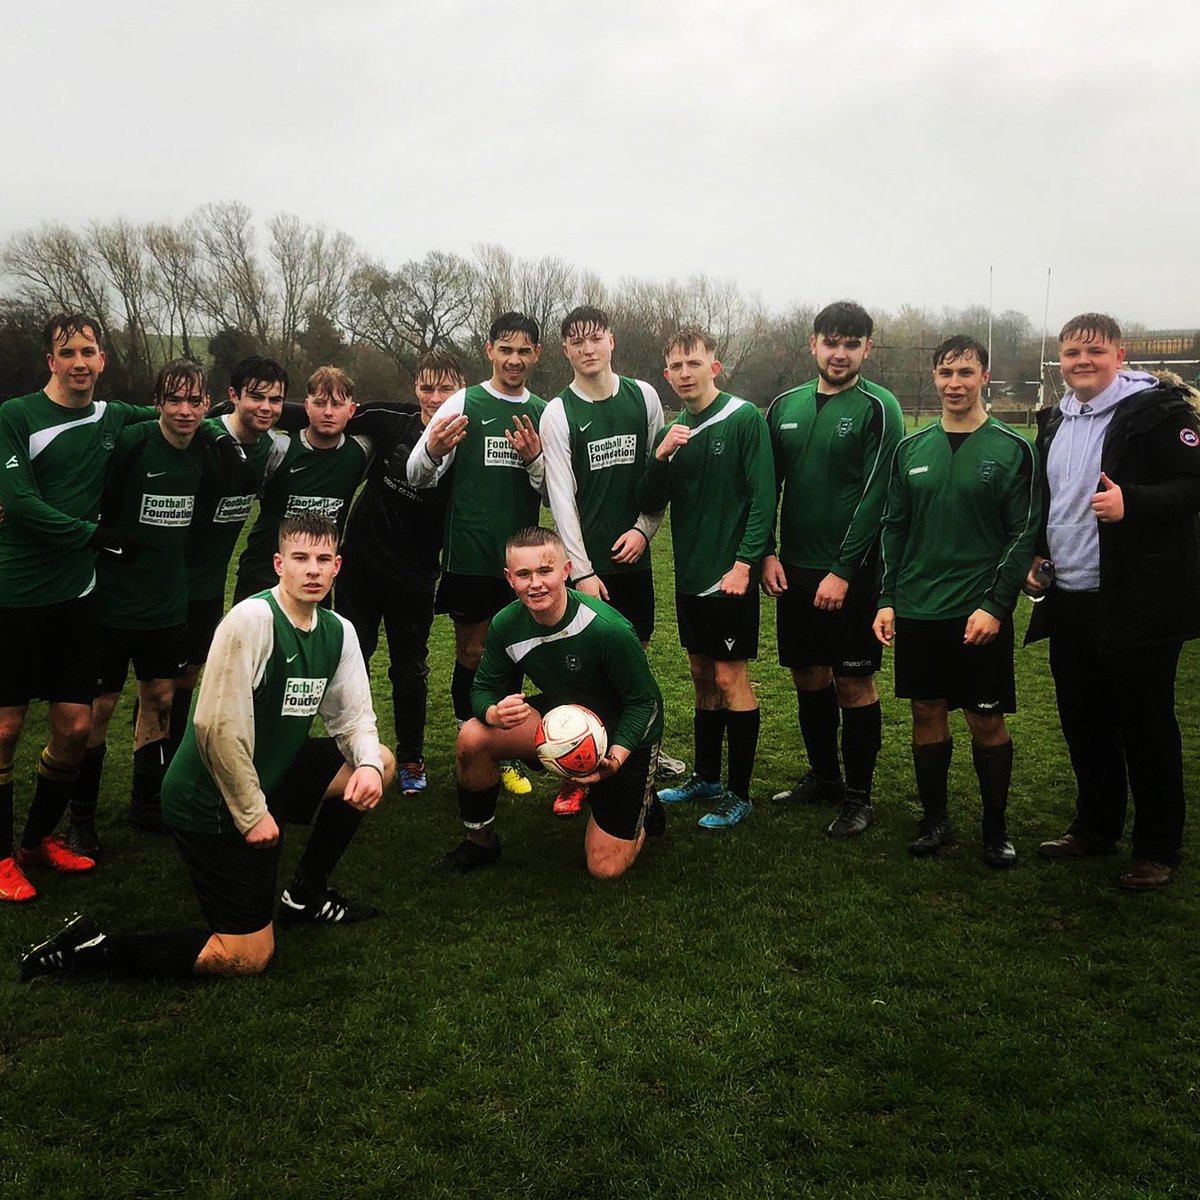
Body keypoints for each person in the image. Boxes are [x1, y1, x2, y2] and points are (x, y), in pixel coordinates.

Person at [20, 514, 395, 982]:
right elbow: (215, 727)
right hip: (211, 798)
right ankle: (92, 950)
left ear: (337, 565)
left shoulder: (338, 631)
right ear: (279, 563)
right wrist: (251, 812)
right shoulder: (252, 620)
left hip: (267, 776)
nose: (312, 570)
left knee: (379, 759)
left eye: (323, 559)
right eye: (300, 558)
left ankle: (307, 894)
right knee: (245, 956)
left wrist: (366, 766)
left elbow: (355, 718)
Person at [1026, 313, 1200, 890]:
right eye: (1072, 351)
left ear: (1119, 355)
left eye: (1094, 351)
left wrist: (1135, 503)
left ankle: (1157, 847)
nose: (1082, 360)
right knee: (1084, 721)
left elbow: (1193, 484)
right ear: (1061, 358)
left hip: (1138, 598)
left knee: (1146, 725)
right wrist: (1038, 553)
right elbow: (1049, 500)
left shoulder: (1158, 414)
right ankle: (1095, 827)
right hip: (1071, 594)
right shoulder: (1053, 419)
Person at [0, 313, 159, 902]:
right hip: (14, 595)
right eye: (68, 352)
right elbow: (17, 503)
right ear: (50, 360)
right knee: (6, 728)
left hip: (77, 598)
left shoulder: (112, 417)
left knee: (75, 727)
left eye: (89, 351)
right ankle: (0, 858)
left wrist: (277, 412)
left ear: (103, 360)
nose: (80, 363)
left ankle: (36, 841)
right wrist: (95, 535)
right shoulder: (17, 417)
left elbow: (181, 415)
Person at [873, 336, 1040, 868]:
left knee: (984, 719)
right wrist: (887, 598)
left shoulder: (1013, 448)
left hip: (978, 613)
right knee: (927, 710)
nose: (954, 383)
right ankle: (935, 820)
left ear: (984, 376)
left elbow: (1023, 534)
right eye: (946, 373)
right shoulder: (910, 450)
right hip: (919, 608)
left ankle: (996, 829)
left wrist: (996, 604)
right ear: (935, 377)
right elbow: (894, 527)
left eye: (966, 372)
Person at [434, 527, 664, 879]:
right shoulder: (506, 624)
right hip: (563, 720)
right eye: (524, 574)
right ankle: (480, 842)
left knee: (604, 868)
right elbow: (481, 690)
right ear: (509, 579)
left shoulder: (608, 629)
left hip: (625, 730)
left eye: (545, 571)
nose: (535, 583)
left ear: (566, 571)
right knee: (474, 738)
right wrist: (494, 711)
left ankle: (642, 802)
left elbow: (643, 703)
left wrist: (616, 758)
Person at [762, 301, 903, 837]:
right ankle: (824, 777)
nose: (839, 353)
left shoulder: (879, 406)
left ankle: (859, 796)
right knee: (808, 674)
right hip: (793, 568)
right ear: (813, 344)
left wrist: (844, 568)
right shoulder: (784, 406)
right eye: (830, 342)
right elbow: (764, 487)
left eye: (851, 343)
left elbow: (878, 494)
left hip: (854, 572)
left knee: (853, 681)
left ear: (867, 348)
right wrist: (768, 552)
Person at [540, 305, 685, 818]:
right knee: (586, 670)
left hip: (635, 561)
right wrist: (582, 571)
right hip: (589, 570)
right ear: (566, 350)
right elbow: (561, 497)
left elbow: (657, 473)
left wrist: (644, 531)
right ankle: (579, 758)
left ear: (611, 342)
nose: (587, 349)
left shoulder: (643, 396)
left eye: (595, 338)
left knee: (633, 664)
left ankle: (639, 751)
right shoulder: (558, 412)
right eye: (576, 341)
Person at [67, 360, 210, 853]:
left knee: (161, 699)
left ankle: (146, 802)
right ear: (158, 403)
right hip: (111, 600)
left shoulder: (207, 450)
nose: (185, 410)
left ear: (207, 404)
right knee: (99, 708)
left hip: (168, 603)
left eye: (195, 401)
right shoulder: (132, 443)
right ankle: (81, 817)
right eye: (175, 399)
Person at [407, 312, 548, 797]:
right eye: (504, 349)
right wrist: (431, 450)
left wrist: (534, 460)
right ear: (489, 350)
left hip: (525, 561)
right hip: (469, 555)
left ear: (536, 354)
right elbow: (416, 475)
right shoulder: (463, 402)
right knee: (472, 650)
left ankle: (503, 749)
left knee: (513, 654)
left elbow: (554, 494)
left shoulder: (545, 412)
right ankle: (472, 743)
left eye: (523, 350)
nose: (514, 359)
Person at [639, 328, 775, 829]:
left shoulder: (743, 419)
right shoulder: (674, 431)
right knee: (700, 676)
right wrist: (660, 456)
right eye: (674, 366)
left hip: (729, 578)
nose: (683, 374)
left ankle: (739, 794)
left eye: (693, 363)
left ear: (713, 367)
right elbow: (651, 501)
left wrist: (745, 564)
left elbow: (763, 499)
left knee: (728, 677)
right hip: (689, 577)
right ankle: (707, 776)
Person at [335, 349, 465, 795]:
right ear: (415, 387)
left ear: (460, 389)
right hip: (361, 567)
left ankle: (411, 758)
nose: (434, 396)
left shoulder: (471, 439)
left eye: (445, 387)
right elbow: (325, 416)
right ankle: (354, 753)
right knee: (354, 660)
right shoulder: (389, 419)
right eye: (427, 386)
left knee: (409, 670)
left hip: (415, 574)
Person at [164, 355, 290, 757]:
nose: (266, 407)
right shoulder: (200, 434)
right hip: (164, 582)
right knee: (158, 688)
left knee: (187, 678)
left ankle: (175, 766)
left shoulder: (272, 448)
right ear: (233, 395)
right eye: (256, 397)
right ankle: (148, 786)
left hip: (210, 585)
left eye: (275, 399)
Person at [234, 366, 372, 602]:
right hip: (262, 576)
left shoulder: (362, 451)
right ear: (306, 407)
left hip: (317, 581)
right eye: (319, 404)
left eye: (337, 405)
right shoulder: (280, 447)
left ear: (351, 410)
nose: (328, 412)